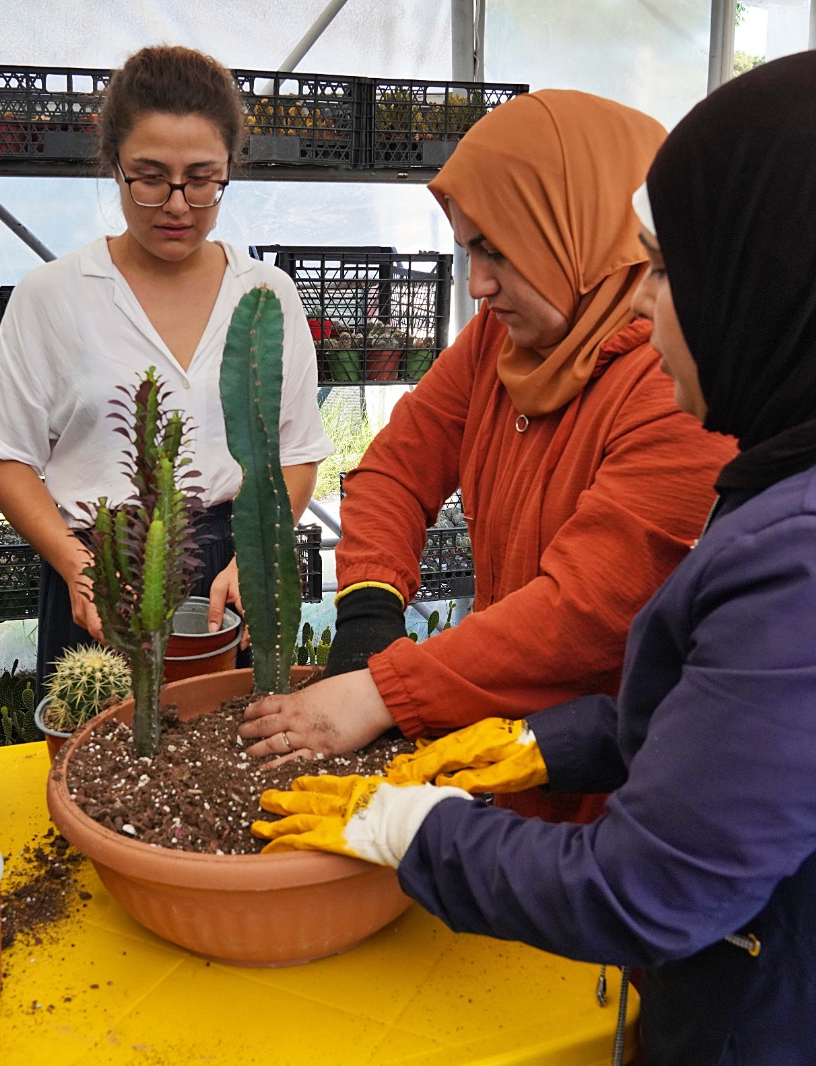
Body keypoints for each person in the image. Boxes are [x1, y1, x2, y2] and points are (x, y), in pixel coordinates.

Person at [251, 48, 816, 1065]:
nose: (643, 305)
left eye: (672, 267)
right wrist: (549, 742)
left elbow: (648, 890)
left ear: (778, 281)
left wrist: (408, 829)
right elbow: (753, 721)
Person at [238, 90, 737, 823]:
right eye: (469, 248)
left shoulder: (676, 384)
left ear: (581, 230)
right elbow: (396, 470)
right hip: (500, 756)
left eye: (498, 250)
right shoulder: (501, 344)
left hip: (614, 795)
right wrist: (369, 615)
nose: (476, 284)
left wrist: (384, 692)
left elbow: (584, 614)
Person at [0, 45, 332, 686]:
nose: (177, 203)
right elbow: (9, 460)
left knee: (233, 763)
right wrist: (78, 568)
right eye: (150, 176)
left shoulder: (266, 296)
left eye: (202, 178)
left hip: (231, 567)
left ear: (229, 170)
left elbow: (297, 451)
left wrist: (255, 554)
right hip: (98, 566)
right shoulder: (53, 294)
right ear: (114, 167)